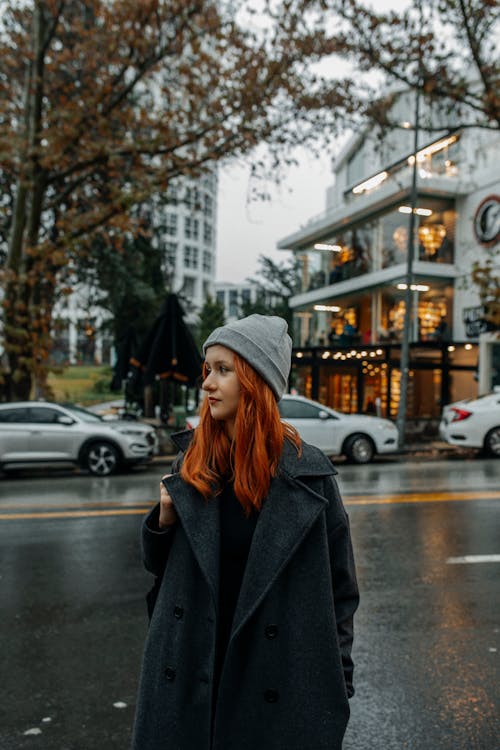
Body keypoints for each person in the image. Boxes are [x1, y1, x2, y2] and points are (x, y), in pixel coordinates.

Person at [132, 314, 359, 750]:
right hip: (192, 670)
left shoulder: (309, 478)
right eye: (207, 371)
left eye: (223, 370)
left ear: (256, 381)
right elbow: (159, 571)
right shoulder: (194, 464)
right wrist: (161, 521)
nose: (208, 385)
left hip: (274, 680)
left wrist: (337, 683)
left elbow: (341, 592)